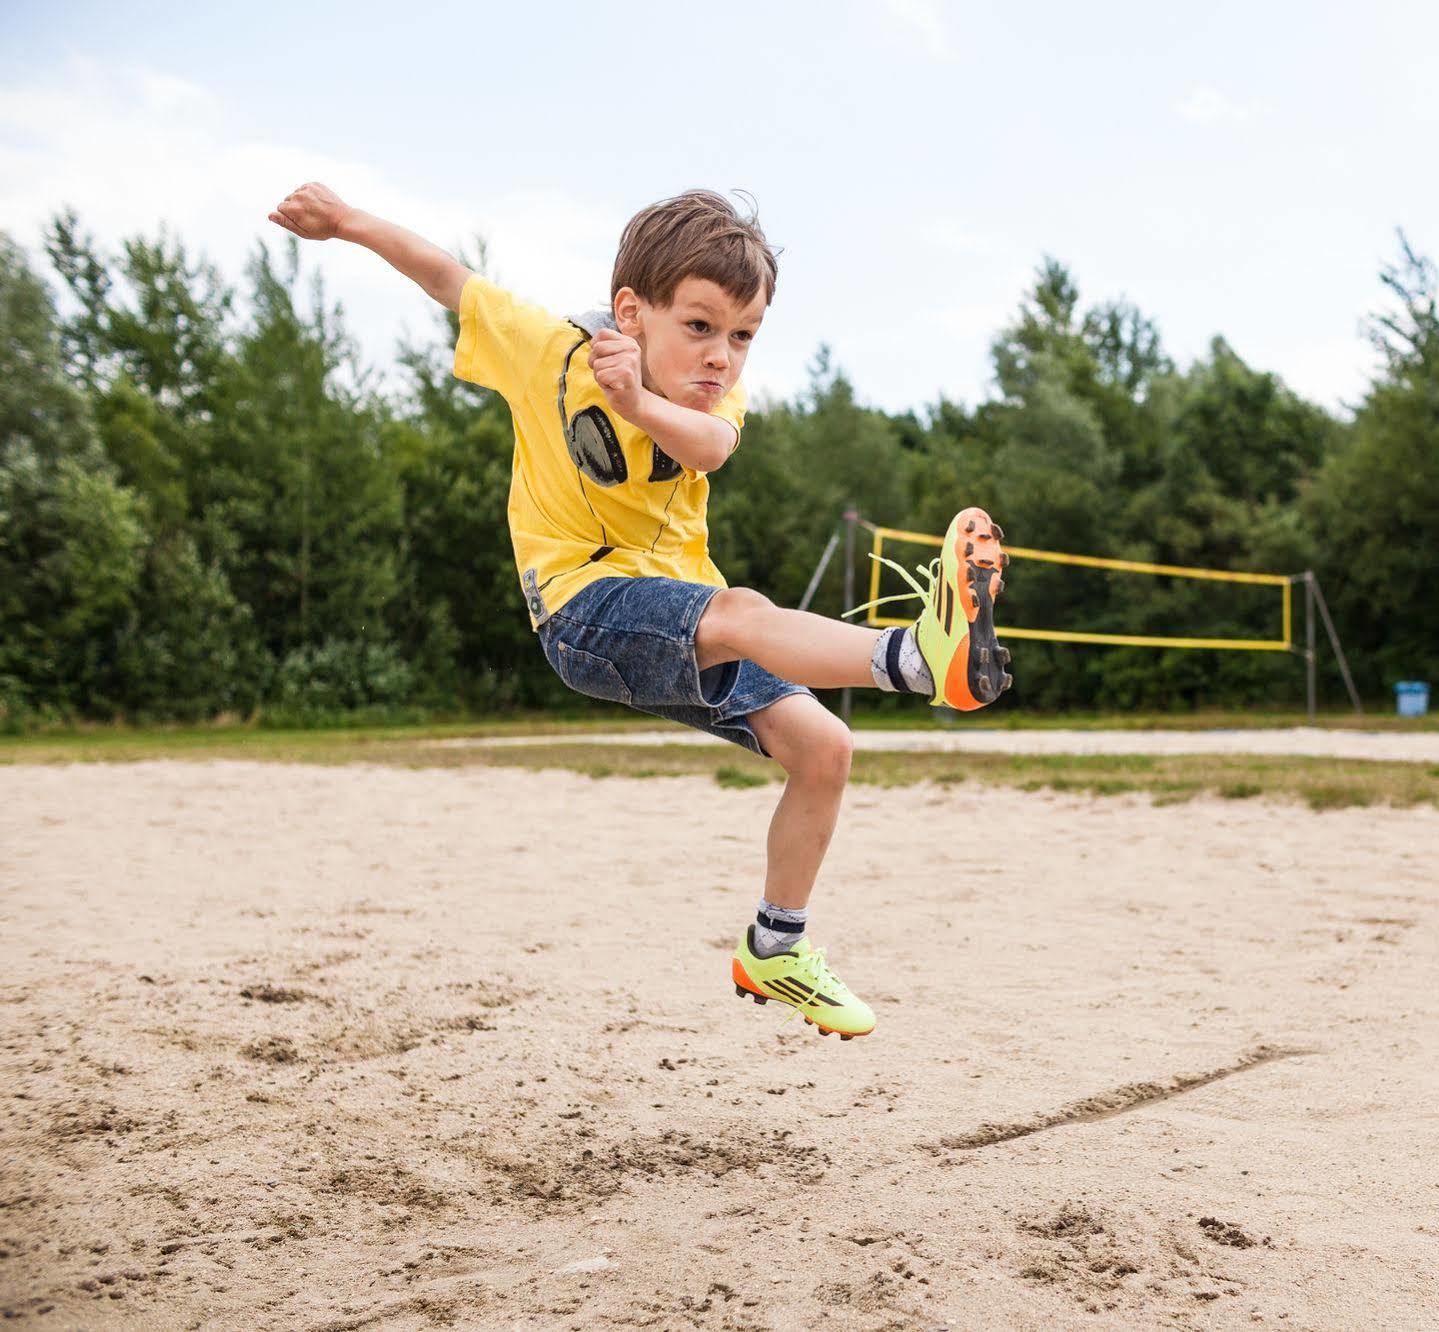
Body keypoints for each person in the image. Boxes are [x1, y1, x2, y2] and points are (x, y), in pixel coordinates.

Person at [267, 182, 1012, 1041]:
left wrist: (639, 404)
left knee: (824, 747)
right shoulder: (547, 350)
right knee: (737, 610)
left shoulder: (707, 401)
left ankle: (774, 947)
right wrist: (346, 223)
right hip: (581, 612)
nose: (720, 357)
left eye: (742, 337)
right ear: (633, 310)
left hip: (676, 618)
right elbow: (446, 276)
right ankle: (917, 661)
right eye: (698, 327)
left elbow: (711, 449)